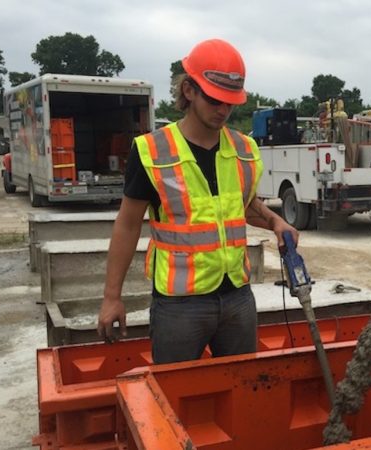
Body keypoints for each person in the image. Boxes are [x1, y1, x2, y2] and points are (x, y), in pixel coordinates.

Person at [97, 39, 298, 364]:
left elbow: (243, 205)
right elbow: (128, 224)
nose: (224, 110)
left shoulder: (244, 149)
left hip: (237, 297)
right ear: (189, 90)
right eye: (215, 100)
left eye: (230, 103)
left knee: (241, 388)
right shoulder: (151, 151)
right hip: (179, 305)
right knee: (175, 397)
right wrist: (111, 297)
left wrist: (275, 220)